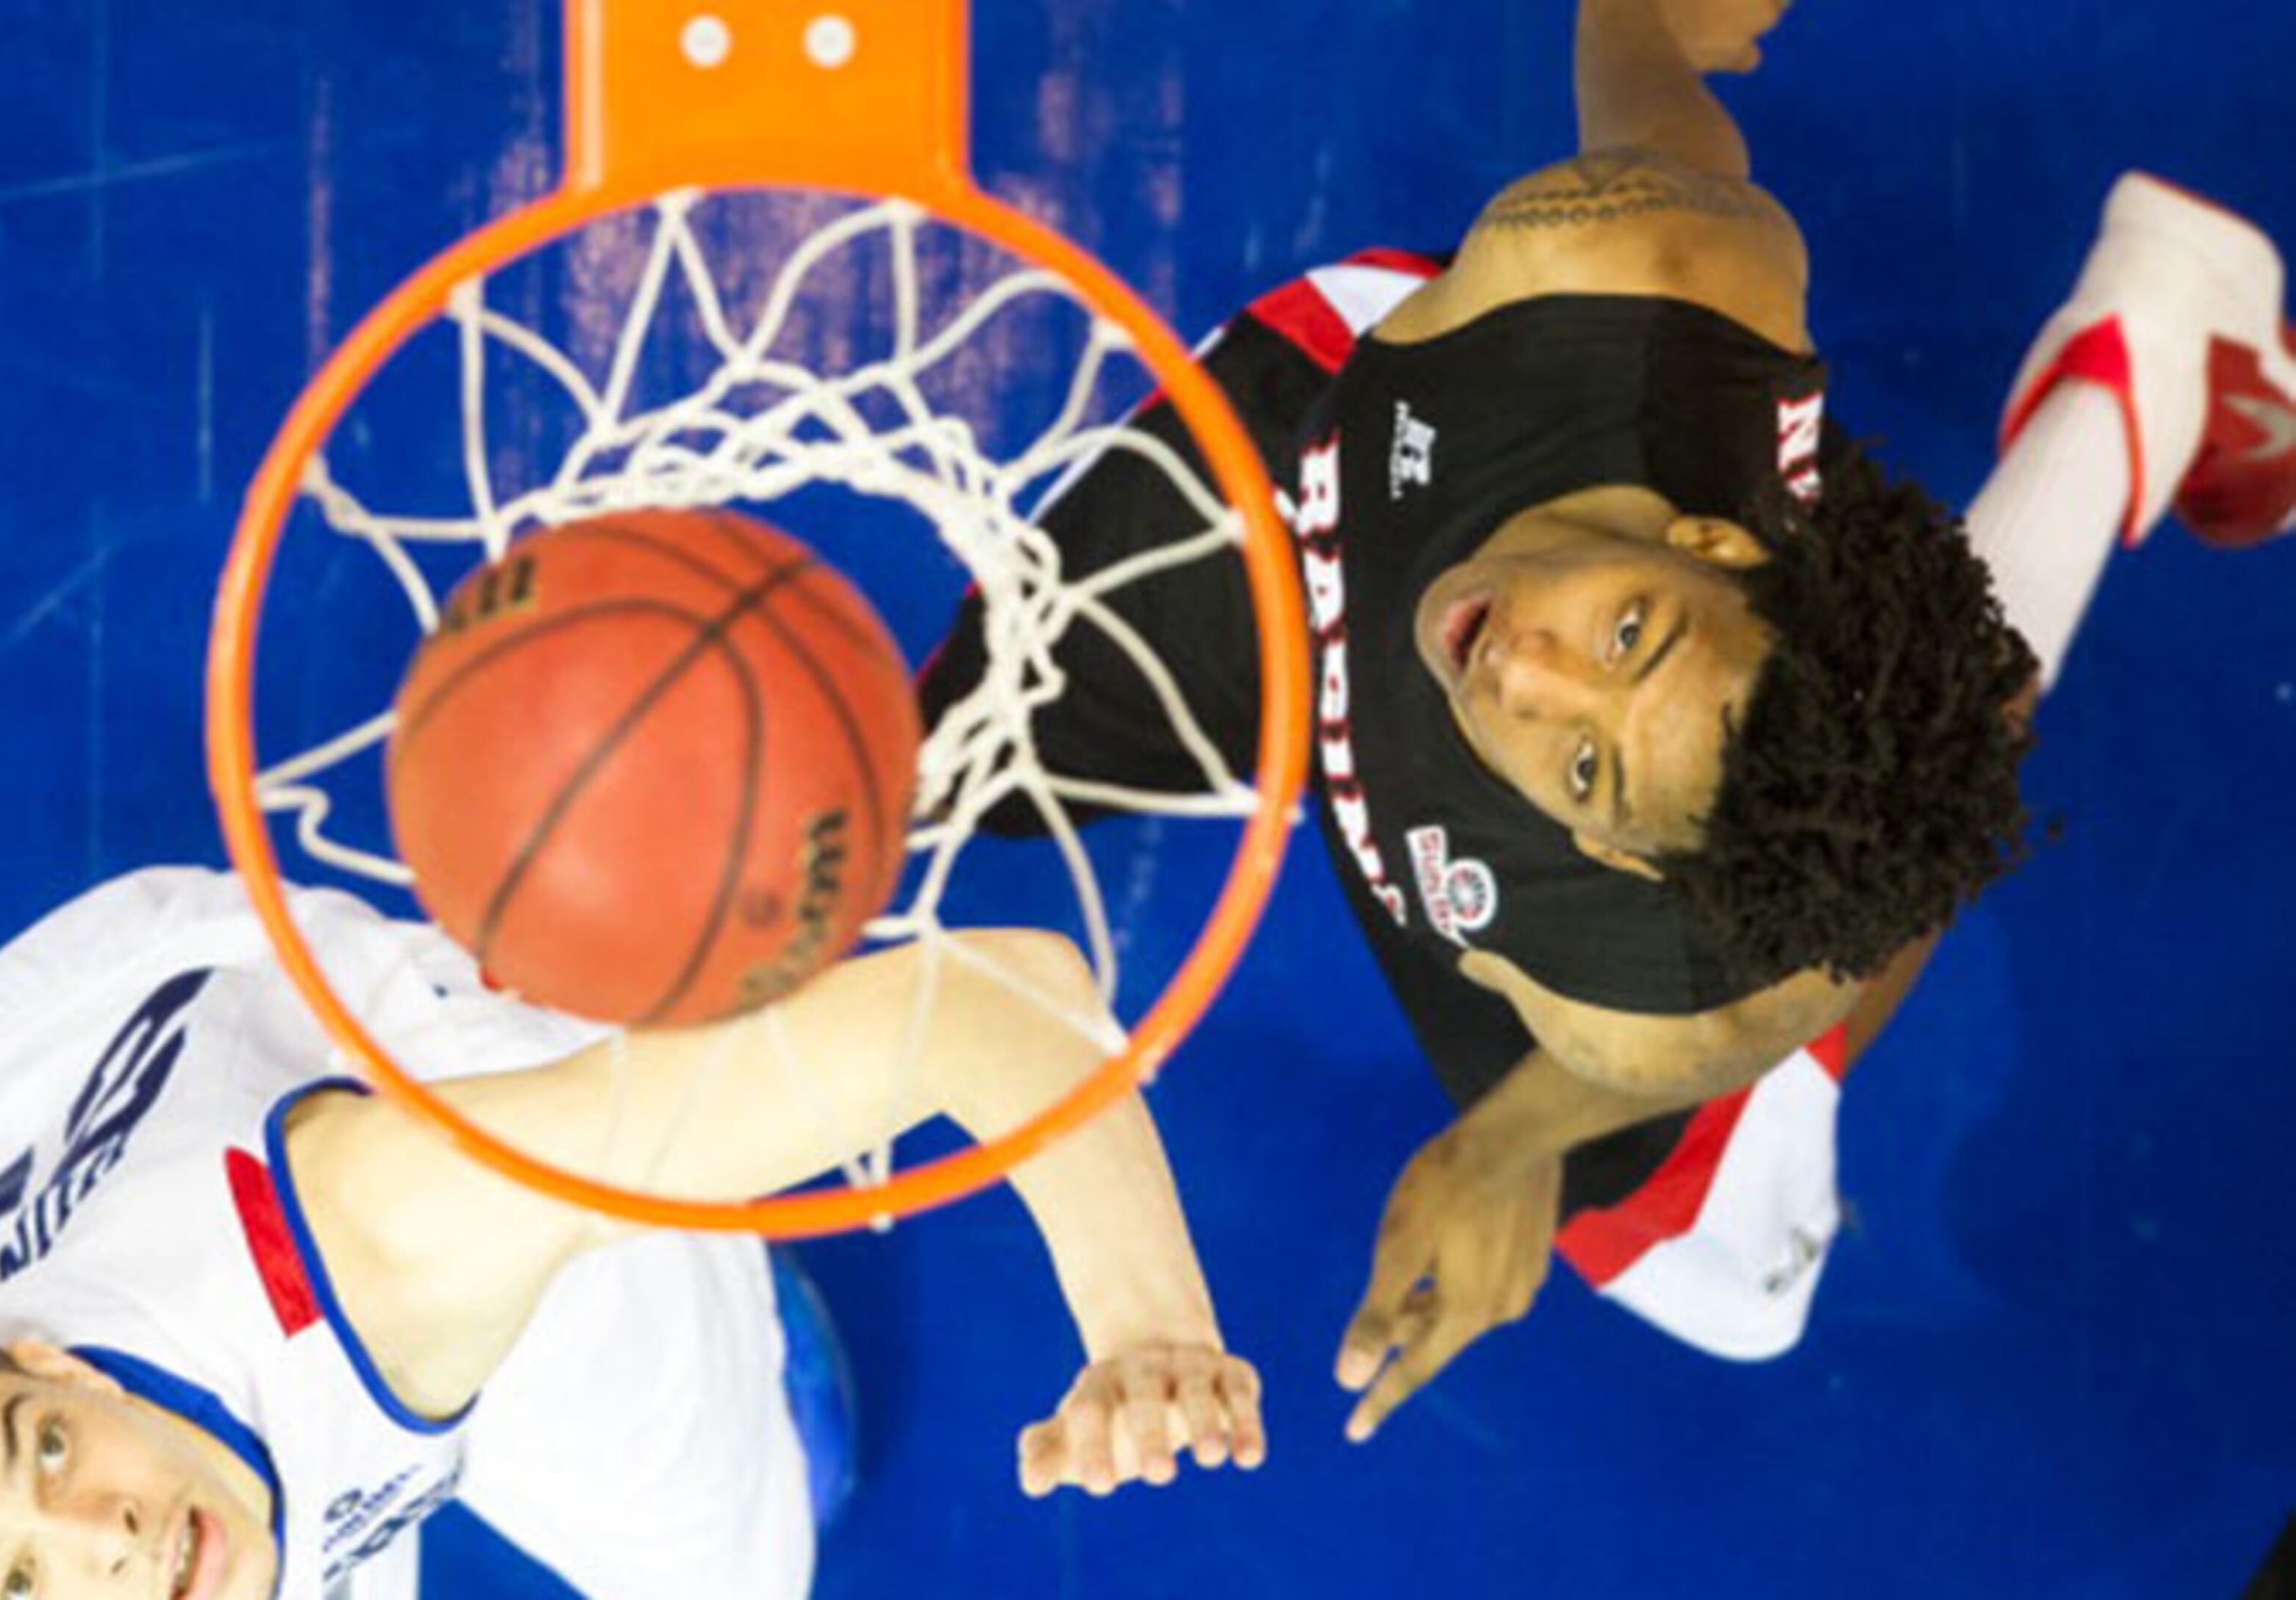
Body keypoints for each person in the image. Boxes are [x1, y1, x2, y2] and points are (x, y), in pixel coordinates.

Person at [919, 0, 2295, 1438]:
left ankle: (2121, 385)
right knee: (913, 762)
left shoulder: (1665, 992)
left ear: (1624, 860)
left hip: (1550, 823)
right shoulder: (1630, 261)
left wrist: (1502, 1147)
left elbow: (1841, 939)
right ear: (1706, 542)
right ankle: (2151, 355)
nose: (1520, 673)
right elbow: (1651, 130)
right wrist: (1634, 15)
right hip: (1315, 465)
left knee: (1725, 1287)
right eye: (1627, 634)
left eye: (1584, 761)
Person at [0, 866, 1264, 1600]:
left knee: (746, 1546)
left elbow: (993, 1002)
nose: (110, 1532)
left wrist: (1141, 1320)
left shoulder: (393, 1240)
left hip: (262, 1022)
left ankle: (710, 1283)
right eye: (22, 1590)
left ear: (52, 1368)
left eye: (49, 1443)